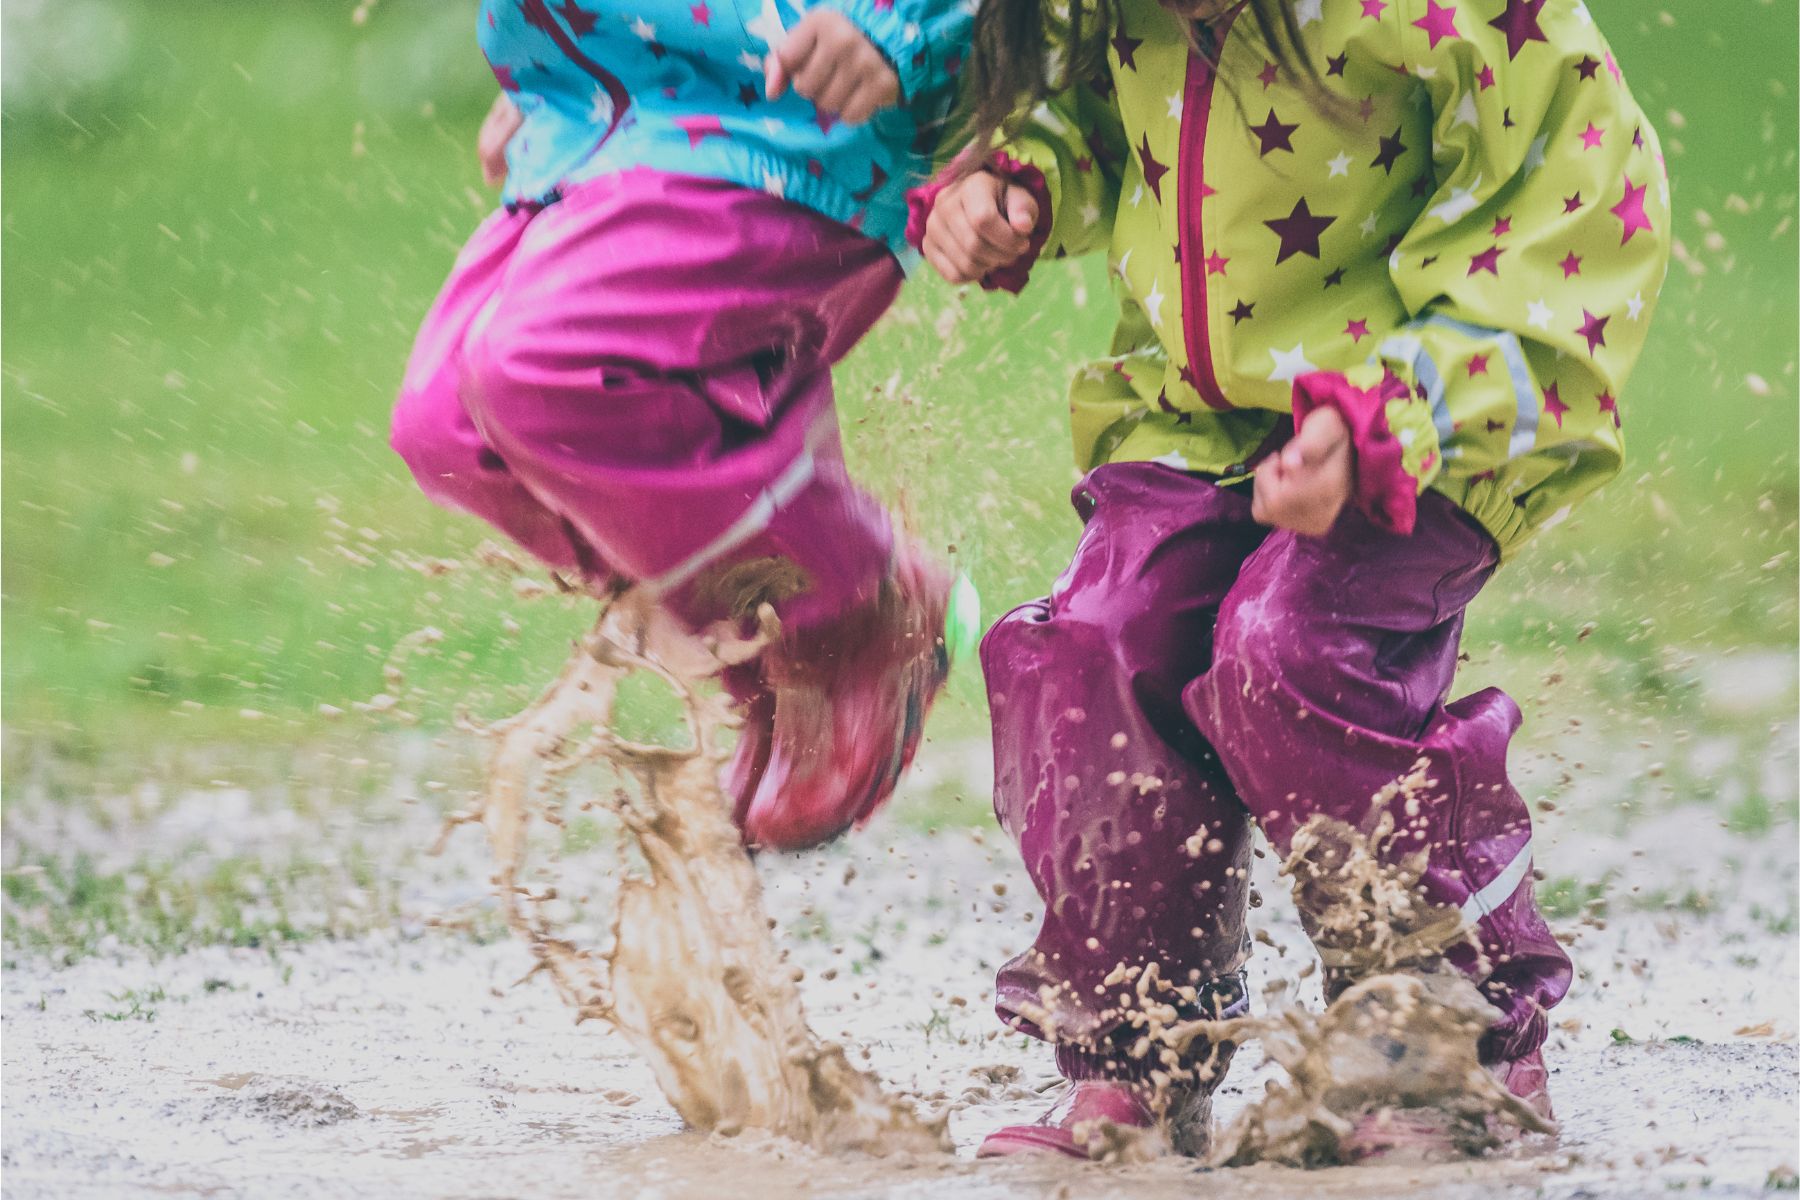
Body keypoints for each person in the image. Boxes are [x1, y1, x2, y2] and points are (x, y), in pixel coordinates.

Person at [910, 0, 1671, 1159]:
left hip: (1428, 416)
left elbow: (1567, 215)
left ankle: (1448, 1032)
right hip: (1199, 419)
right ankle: (1142, 1052)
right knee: (1092, 648)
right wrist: (1020, 180)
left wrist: (1395, 416)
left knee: (1286, 645)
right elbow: (1105, 116)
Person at [391, 0, 977, 850]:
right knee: (445, 432)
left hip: (785, 126)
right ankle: (766, 644)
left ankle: (856, 605)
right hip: (607, 118)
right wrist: (557, 58)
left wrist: (898, 27)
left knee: (535, 369)